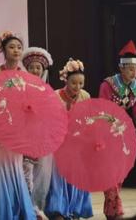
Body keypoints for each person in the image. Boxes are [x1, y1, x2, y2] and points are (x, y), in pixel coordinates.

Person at [99, 41, 136, 220]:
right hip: (105, 132)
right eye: (131, 69)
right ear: (121, 68)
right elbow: (102, 111)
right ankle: (116, 210)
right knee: (110, 172)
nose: (134, 73)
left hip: (124, 132)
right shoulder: (108, 85)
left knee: (119, 173)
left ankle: (111, 209)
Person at [0, 31, 35, 220]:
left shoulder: (25, 75)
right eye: (11, 47)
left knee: (16, 168)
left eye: (19, 47)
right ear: (4, 50)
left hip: (17, 129)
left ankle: (18, 210)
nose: (16, 50)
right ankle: (1, 213)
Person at [44, 59, 93, 220]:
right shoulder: (55, 96)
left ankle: (75, 210)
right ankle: (58, 211)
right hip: (60, 143)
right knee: (59, 178)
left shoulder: (85, 96)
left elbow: (89, 120)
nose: (77, 87)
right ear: (66, 80)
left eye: (81, 83)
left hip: (78, 143)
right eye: (74, 83)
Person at [21, 46, 55, 218]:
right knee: (26, 172)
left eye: (38, 67)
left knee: (42, 173)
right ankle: (25, 207)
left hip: (43, 135)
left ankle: (37, 208)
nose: (35, 70)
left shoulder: (47, 90)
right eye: (32, 67)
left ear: (43, 70)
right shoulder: (21, 87)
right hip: (25, 135)